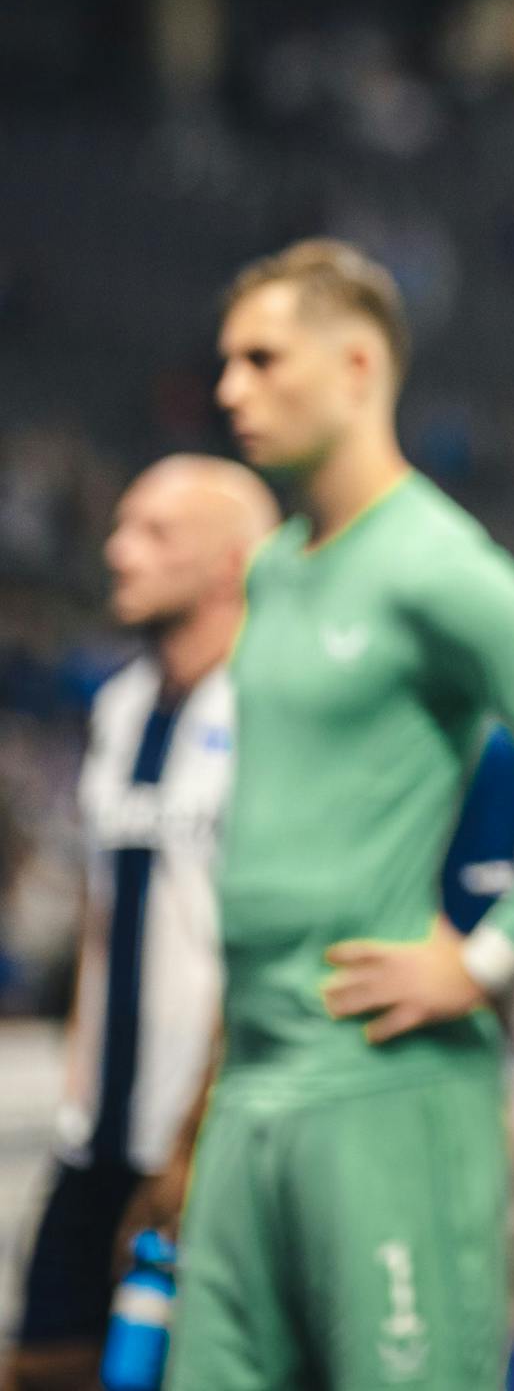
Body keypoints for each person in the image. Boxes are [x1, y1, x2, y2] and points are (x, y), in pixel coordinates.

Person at [165, 238, 514, 1391]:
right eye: (225, 360)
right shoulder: (279, 568)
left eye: (261, 358)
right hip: (257, 1083)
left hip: (386, 1085)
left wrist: (484, 959)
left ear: (353, 366)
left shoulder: (435, 560)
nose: (229, 386)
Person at [2, 458, 275, 1391]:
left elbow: (273, 935)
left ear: (233, 561)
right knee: (43, 1364)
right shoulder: (117, 708)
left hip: (215, 1138)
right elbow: (103, 913)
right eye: (120, 528)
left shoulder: (275, 708)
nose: (117, 552)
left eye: (155, 533)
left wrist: (203, 1131)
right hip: (101, 1135)